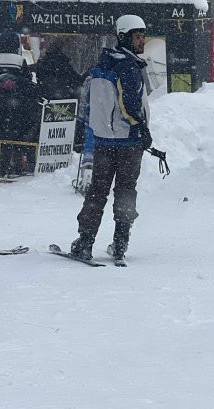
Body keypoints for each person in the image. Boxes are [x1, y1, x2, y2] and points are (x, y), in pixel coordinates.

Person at [69, 15, 153, 261]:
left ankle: (85, 241)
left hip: (104, 140)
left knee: (97, 192)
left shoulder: (102, 63)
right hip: (127, 142)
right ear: (124, 37)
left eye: (143, 36)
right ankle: (120, 243)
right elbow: (130, 105)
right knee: (126, 191)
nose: (142, 42)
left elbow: (88, 100)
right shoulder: (127, 66)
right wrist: (142, 128)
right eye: (138, 37)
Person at [0, 50, 39, 176]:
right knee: (19, 136)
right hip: (18, 105)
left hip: (3, 105)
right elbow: (27, 78)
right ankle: (18, 165)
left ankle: (3, 166)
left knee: (5, 136)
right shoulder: (19, 60)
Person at [36, 37, 86, 102]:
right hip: (64, 100)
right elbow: (76, 80)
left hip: (47, 100)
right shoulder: (63, 64)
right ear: (61, 49)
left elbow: (39, 80)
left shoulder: (42, 64)